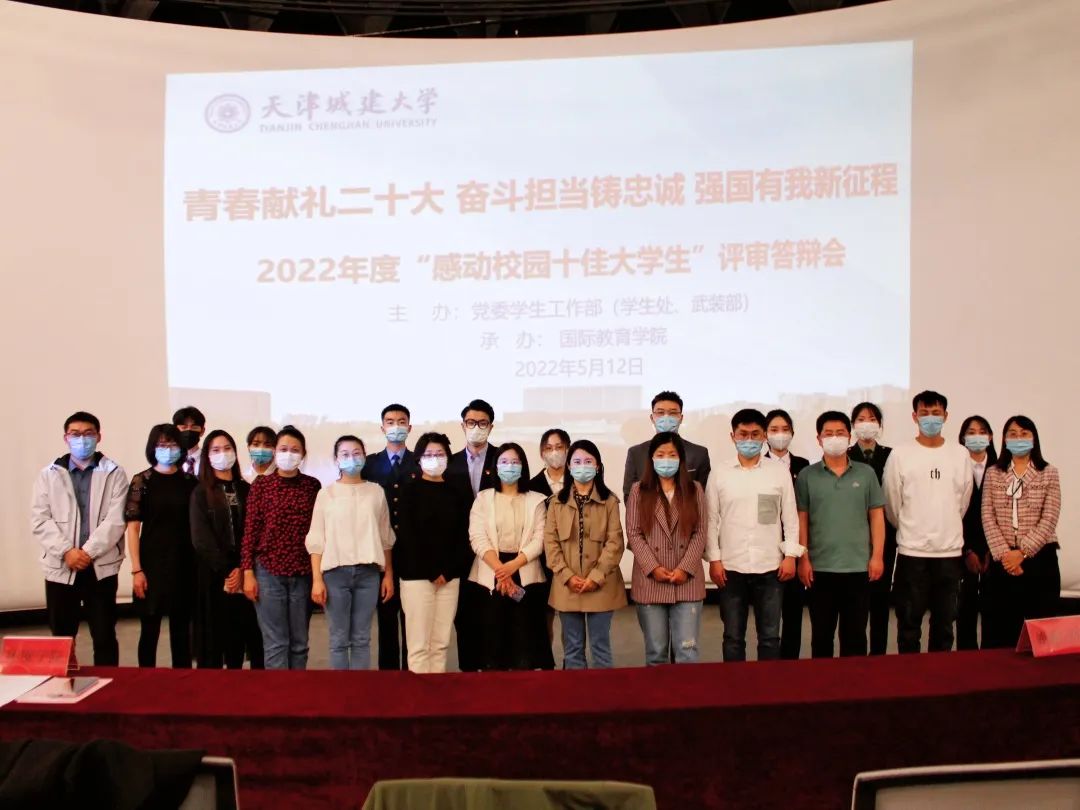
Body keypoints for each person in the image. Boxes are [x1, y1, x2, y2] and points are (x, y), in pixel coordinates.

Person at [31, 411, 128, 666]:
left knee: (104, 635)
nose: (82, 439)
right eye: (75, 434)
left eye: (88, 434)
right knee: (62, 637)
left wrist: (86, 553)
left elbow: (116, 519)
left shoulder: (114, 472)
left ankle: (109, 685)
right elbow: (40, 519)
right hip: (61, 566)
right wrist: (67, 551)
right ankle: (62, 685)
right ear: (66, 438)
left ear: (98, 437)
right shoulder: (49, 474)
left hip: (100, 567)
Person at [705, 408, 802, 662]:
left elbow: (790, 517)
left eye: (755, 434)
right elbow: (711, 519)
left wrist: (791, 555)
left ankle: (768, 685)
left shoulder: (778, 472)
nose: (749, 439)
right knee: (733, 637)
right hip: (731, 567)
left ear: (764, 437)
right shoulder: (720, 472)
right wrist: (714, 559)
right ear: (732, 436)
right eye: (743, 434)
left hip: (771, 567)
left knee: (770, 637)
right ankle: (735, 685)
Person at [883, 391, 973, 654]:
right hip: (913, 552)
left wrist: (946, 523)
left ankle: (940, 676)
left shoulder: (960, 454)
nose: (930, 418)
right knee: (908, 625)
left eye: (936, 413)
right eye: (924, 413)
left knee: (944, 626)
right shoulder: (901, 454)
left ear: (946, 416)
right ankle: (910, 676)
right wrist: (910, 527)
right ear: (914, 417)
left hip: (949, 552)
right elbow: (892, 502)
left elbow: (963, 501)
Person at [796, 412, 885, 658]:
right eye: (828, 434)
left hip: (858, 567)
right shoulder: (807, 476)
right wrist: (804, 559)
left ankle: (855, 682)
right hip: (820, 569)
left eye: (840, 433)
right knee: (821, 636)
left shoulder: (866, 473)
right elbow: (801, 520)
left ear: (849, 436)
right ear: (819, 439)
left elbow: (876, 517)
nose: (834, 438)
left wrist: (877, 556)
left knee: (855, 637)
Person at [306, 436, 395, 671]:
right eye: (345, 454)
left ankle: (360, 690)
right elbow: (316, 540)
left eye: (356, 453)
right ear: (336, 459)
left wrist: (388, 575)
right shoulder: (326, 494)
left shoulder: (376, 492)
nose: (351, 458)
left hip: (368, 574)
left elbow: (385, 538)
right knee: (338, 640)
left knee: (362, 639)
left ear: (364, 456)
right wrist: (317, 579)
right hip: (335, 574)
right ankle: (341, 690)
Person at [240, 425, 321, 670]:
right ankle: (279, 693)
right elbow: (250, 531)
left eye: (295, 450)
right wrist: (248, 573)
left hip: (302, 572)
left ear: (303, 454)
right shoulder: (261, 486)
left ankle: (298, 690)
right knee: (276, 643)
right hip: (268, 572)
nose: (289, 454)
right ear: (275, 451)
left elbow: (318, 531)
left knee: (299, 643)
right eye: (284, 449)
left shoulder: (312, 486)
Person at [394, 432, 474, 673]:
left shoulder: (457, 492)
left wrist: (447, 571)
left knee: (440, 644)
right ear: (418, 459)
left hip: (450, 578)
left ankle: (437, 694)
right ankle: (419, 695)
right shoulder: (409, 491)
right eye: (428, 454)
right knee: (419, 646)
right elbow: (408, 537)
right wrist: (431, 571)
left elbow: (463, 535)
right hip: (417, 577)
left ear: (448, 458)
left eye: (439, 454)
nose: (434, 459)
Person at [626, 432, 707, 665]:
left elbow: (700, 532)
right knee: (656, 653)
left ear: (681, 459)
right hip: (650, 581)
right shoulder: (638, 490)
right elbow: (634, 533)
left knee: (687, 651)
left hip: (687, 581)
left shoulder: (695, 489)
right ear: (651, 458)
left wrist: (685, 568)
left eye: (672, 455)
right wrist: (653, 567)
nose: (666, 460)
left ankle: (687, 691)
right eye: (660, 455)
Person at [981, 416, 1062, 649]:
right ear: (1005, 440)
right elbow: (987, 514)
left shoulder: (1048, 472)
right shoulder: (994, 472)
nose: (1019, 439)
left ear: (1034, 438)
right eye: (1013, 434)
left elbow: (1050, 517)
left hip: (1039, 558)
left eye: (1024, 434)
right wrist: (1006, 555)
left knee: (1041, 629)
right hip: (1003, 559)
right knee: (1001, 630)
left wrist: (1023, 553)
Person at [545, 440, 627, 669]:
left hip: (601, 586)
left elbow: (615, 543)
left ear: (598, 466)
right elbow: (550, 544)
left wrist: (596, 577)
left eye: (588, 461)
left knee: (601, 648)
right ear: (569, 467)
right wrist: (567, 576)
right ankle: (576, 693)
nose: (583, 466)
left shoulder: (610, 501)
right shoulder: (556, 503)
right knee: (572, 649)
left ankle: (604, 692)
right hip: (567, 586)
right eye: (577, 461)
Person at [467, 442, 550, 670]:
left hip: (525, 570)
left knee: (524, 642)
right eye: (504, 462)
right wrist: (501, 571)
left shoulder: (537, 500)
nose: (509, 466)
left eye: (515, 462)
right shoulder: (483, 498)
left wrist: (512, 566)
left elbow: (540, 539)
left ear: (523, 466)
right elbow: (477, 537)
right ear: (496, 467)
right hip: (489, 572)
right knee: (492, 642)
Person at [125, 423, 199, 668]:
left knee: (181, 631)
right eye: (162, 444)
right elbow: (133, 528)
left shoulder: (190, 482)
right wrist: (136, 569)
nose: (168, 449)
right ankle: (146, 681)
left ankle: (182, 681)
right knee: (149, 630)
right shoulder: (142, 480)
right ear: (152, 448)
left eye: (173, 444)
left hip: (184, 563)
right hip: (151, 564)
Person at [189, 429, 264, 669]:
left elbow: (254, 532)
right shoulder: (200, 492)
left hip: (246, 572)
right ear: (207, 456)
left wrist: (242, 568)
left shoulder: (247, 489)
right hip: (214, 575)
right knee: (214, 639)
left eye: (227, 448)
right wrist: (227, 570)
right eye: (216, 450)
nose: (223, 454)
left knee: (243, 636)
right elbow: (201, 538)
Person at [363, 404, 419, 670]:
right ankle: (388, 679)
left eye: (401, 421)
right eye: (390, 421)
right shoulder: (370, 464)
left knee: (412, 619)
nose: (396, 426)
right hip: (379, 552)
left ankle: (411, 675)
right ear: (382, 427)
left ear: (409, 427)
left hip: (412, 552)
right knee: (385, 618)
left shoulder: (421, 461)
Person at [446, 399, 498, 672]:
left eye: (482, 423)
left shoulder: (503, 459)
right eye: (471, 422)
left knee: (494, 617)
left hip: (496, 551)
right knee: (465, 618)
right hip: (461, 554)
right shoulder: (449, 463)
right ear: (462, 425)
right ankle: (469, 672)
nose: (476, 427)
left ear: (491, 426)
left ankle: (493, 673)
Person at [848, 402, 896, 656]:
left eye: (872, 419)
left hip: (885, 533)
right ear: (853, 425)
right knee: (855, 603)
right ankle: (856, 655)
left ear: (880, 425)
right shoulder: (844, 455)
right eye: (861, 419)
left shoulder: (892, 455)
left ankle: (878, 655)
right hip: (853, 536)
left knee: (880, 600)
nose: (867, 424)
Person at [763, 408, 811, 660]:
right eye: (774, 430)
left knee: (793, 612)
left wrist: (797, 552)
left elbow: (805, 510)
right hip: (767, 548)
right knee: (768, 617)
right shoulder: (758, 464)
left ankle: (790, 663)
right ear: (765, 434)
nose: (780, 434)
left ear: (792, 432)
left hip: (795, 547)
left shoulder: (803, 466)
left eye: (784, 429)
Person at [623, 391, 711, 501]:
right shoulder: (636, 453)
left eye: (673, 413)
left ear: (681, 418)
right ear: (652, 418)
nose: (666, 417)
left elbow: (703, 496)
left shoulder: (699, 453)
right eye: (660, 412)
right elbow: (629, 495)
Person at [957, 416, 997, 650]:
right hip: (963, 547)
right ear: (963, 438)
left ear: (990, 436)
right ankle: (966, 655)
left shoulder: (1001, 468)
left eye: (982, 431)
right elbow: (952, 512)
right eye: (971, 432)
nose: (977, 436)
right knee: (965, 606)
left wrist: (993, 549)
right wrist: (967, 550)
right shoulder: (956, 467)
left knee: (994, 607)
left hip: (996, 548)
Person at [529, 428, 570, 497]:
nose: (554, 452)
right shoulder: (532, 486)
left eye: (559, 447)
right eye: (549, 448)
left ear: (568, 450)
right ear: (542, 454)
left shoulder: (577, 480)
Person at [173, 406, 206, 477]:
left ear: (202, 431)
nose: (188, 431)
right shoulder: (169, 461)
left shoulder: (211, 460)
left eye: (194, 427)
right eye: (183, 427)